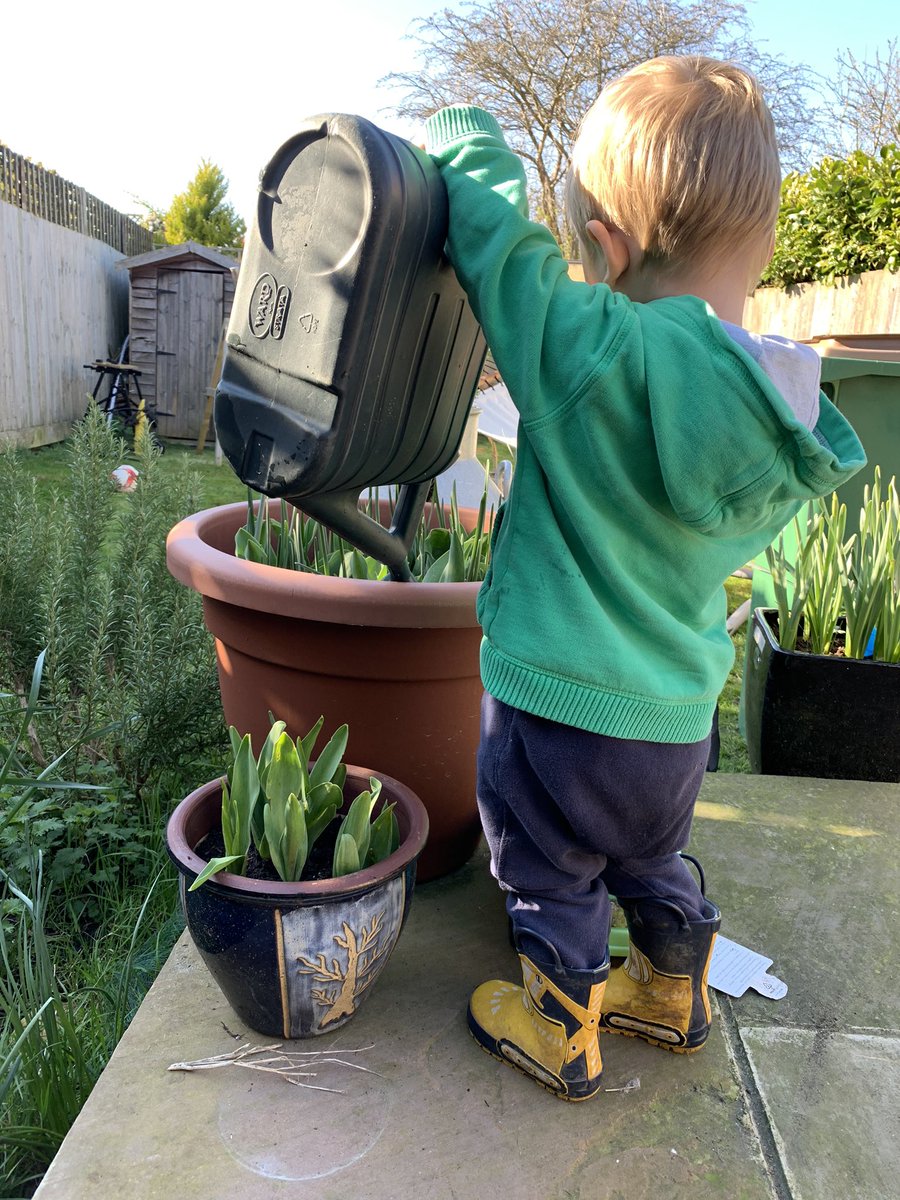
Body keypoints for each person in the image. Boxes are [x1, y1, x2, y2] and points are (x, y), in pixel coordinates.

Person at [423, 56, 865, 1102]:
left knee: (549, 869)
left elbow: (499, 252)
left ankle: (559, 1025)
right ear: (754, 245)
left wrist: (466, 139)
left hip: (558, 709)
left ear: (608, 247)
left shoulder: (593, 346)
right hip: (676, 724)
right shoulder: (778, 406)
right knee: (642, 864)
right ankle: (672, 992)